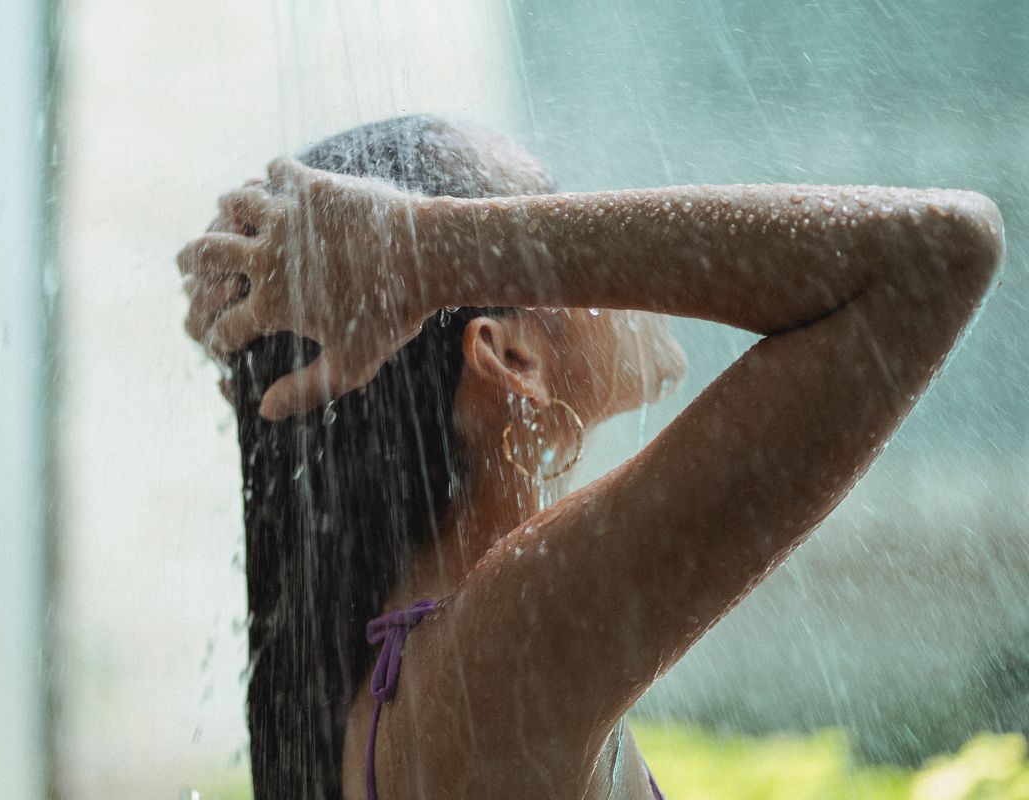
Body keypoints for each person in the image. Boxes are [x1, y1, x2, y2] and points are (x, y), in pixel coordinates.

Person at [176, 116, 1003, 800]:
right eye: (539, 214)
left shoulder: (434, 661)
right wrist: (422, 248)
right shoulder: (498, 644)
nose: (585, 228)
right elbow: (936, 254)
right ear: (509, 360)